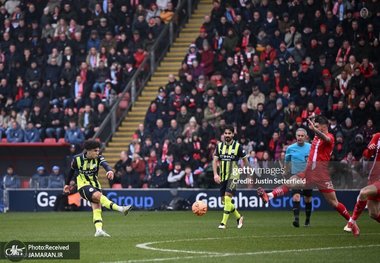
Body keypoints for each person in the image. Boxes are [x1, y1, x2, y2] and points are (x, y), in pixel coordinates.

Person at [257, 116, 353, 229]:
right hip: (308, 172)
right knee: (290, 182)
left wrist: (314, 129)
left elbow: (326, 139)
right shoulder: (314, 139)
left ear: (324, 127)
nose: (315, 128)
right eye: (315, 126)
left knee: (334, 203)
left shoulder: (330, 137)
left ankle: (352, 222)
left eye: (317, 127)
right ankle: (269, 195)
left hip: (321, 175)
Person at [64, 140, 132, 237]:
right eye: (95, 151)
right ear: (88, 151)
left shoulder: (99, 158)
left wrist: (109, 171)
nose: (97, 152)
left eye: (98, 150)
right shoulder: (77, 159)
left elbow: (106, 165)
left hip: (95, 185)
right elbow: (71, 171)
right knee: (98, 196)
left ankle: (98, 230)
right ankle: (121, 208)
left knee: (97, 208)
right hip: (83, 185)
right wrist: (66, 184)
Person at [213, 125, 249, 229]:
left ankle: (223, 223)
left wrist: (247, 173)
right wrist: (215, 174)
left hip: (234, 174)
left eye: (229, 133)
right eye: (226, 133)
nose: (227, 135)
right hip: (223, 176)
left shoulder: (238, 146)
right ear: (223, 134)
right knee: (224, 201)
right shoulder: (219, 146)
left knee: (228, 197)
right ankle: (239, 217)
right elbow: (215, 161)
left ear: (233, 134)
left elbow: (245, 161)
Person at [346, 132, 380, 237]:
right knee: (373, 214)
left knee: (363, 192)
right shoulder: (378, 136)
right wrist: (370, 149)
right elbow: (366, 155)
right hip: (373, 177)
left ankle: (351, 221)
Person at [284, 128, 312, 227]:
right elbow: (287, 161)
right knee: (296, 197)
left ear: (305, 137)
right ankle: (296, 219)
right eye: (298, 136)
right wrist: (285, 170)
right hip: (295, 176)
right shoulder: (290, 148)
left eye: (302, 136)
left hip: (308, 177)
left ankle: (307, 220)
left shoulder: (311, 147)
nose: (300, 137)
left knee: (307, 199)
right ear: (296, 136)